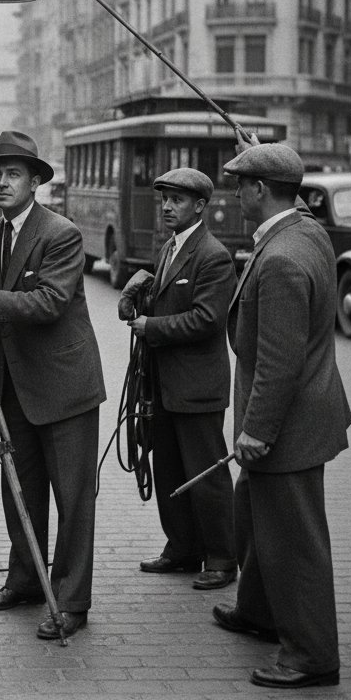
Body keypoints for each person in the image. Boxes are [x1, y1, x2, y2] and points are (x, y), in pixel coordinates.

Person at [0, 131, 105, 641]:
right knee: (20, 489)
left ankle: (71, 600)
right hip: (14, 384)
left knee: (73, 498)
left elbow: (49, 302)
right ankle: (25, 580)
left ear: (35, 181)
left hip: (63, 388)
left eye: (13, 173)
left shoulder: (61, 233)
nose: (1, 182)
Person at [214, 142, 351, 690]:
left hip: (287, 428)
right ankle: (259, 612)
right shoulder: (305, 231)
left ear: (258, 192)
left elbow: (278, 362)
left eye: (240, 184)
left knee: (294, 542)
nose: (234, 192)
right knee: (253, 516)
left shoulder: (281, 260)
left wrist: (255, 431)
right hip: (297, 420)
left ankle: (311, 655)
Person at [118, 167, 237, 590]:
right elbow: (168, 300)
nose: (167, 207)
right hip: (163, 385)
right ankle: (182, 549)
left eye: (178, 200)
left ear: (200, 206)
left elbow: (207, 320)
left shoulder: (213, 255)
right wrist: (138, 297)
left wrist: (152, 327)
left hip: (197, 388)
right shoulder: (168, 248)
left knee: (206, 475)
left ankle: (222, 559)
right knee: (167, 469)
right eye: (164, 199)